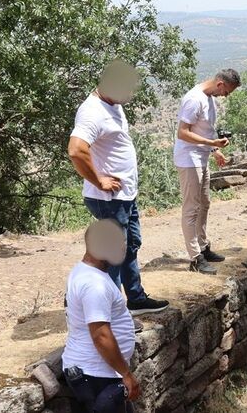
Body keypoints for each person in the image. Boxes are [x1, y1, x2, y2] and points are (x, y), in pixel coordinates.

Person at [68, 60, 168, 316]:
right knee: (112, 254)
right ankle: (111, 312)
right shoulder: (92, 111)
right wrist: (99, 179)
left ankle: (134, 297)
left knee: (130, 244)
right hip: (108, 197)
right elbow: (76, 150)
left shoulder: (112, 104)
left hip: (124, 195)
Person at [62, 219, 140, 413]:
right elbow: (101, 335)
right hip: (96, 375)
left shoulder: (85, 272)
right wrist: (126, 373)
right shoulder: (94, 285)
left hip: (98, 373)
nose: (122, 249)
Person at [174, 69, 241, 275]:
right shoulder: (194, 99)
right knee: (192, 208)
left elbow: (205, 129)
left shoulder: (209, 98)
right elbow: (183, 132)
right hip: (189, 159)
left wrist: (215, 150)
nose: (225, 96)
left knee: (205, 203)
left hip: (201, 157)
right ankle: (195, 258)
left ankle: (203, 247)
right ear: (220, 84)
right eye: (227, 92)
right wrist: (211, 143)